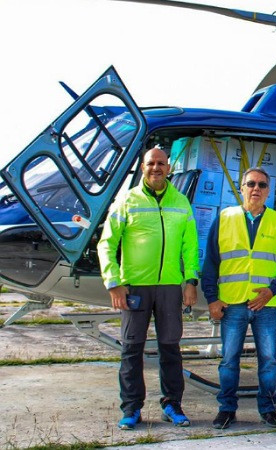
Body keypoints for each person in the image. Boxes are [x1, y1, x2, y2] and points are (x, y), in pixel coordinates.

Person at [97, 146, 199, 430]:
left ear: (169, 168)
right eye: (151, 163)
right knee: (131, 349)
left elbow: (190, 246)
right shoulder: (127, 200)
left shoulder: (181, 202)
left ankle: (172, 404)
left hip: (169, 287)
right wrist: (114, 283)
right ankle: (131, 408)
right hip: (135, 288)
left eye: (161, 163)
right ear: (142, 167)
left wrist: (191, 281)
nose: (156, 168)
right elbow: (107, 243)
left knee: (170, 348)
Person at [201, 167, 276, 430]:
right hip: (232, 303)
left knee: (269, 361)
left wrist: (272, 291)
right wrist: (212, 298)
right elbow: (211, 262)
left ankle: (268, 408)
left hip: (267, 305)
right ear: (241, 188)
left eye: (262, 185)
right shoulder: (224, 218)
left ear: (268, 190)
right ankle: (226, 409)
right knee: (229, 360)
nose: (256, 189)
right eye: (251, 184)